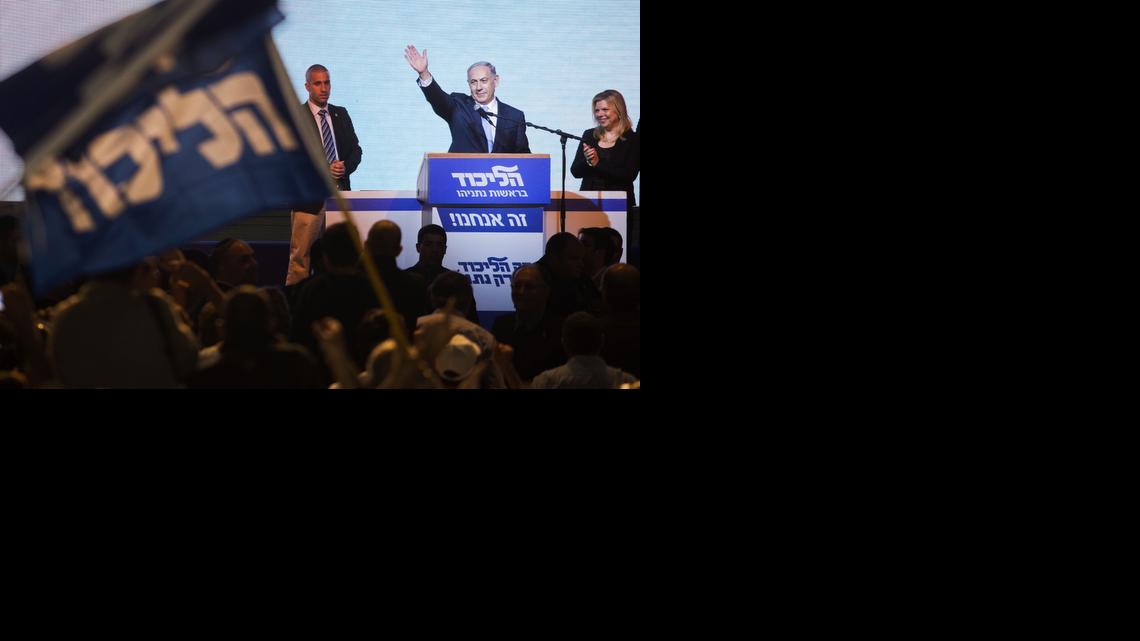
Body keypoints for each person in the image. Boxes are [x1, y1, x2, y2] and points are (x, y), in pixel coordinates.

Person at [286, 64, 363, 286]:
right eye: (318, 83)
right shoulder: (296, 116)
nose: (324, 88)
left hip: (340, 196)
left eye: (327, 82)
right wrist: (323, 169)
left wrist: (345, 166)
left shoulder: (341, 113)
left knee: (342, 256)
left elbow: (356, 150)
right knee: (301, 257)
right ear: (307, 86)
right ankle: (295, 303)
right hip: (309, 199)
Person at [403, 45, 530, 154]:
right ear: (468, 84)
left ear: (495, 81)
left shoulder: (514, 116)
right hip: (461, 178)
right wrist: (424, 73)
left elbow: (525, 159)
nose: (479, 87)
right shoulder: (458, 106)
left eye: (484, 81)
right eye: (473, 82)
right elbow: (438, 98)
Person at [570, 89, 640, 211]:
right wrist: (587, 162)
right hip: (588, 201)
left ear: (619, 111)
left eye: (605, 109)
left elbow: (629, 175)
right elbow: (575, 171)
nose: (599, 114)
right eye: (597, 110)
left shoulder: (633, 139)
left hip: (619, 204)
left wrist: (597, 164)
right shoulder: (589, 135)